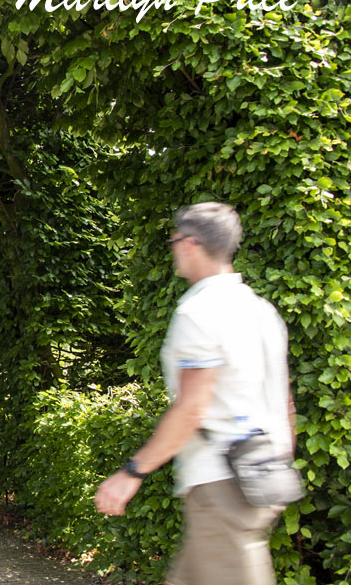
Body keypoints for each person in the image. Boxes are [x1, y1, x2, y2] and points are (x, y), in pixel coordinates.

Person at [94, 202, 297, 585]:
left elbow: (192, 408)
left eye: (173, 240)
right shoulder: (261, 311)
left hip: (220, 486)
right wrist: (280, 465)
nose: (173, 249)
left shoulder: (200, 311)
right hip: (260, 478)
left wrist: (132, 471)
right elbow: (286, 404)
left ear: (189, 243)